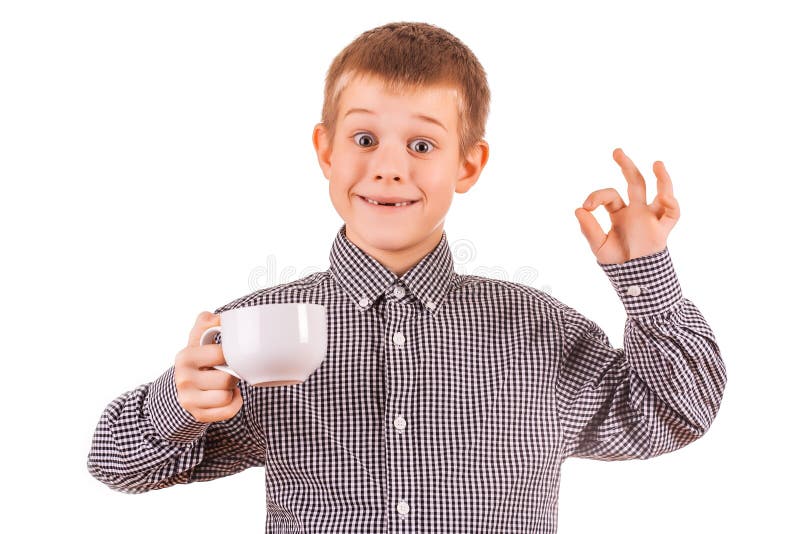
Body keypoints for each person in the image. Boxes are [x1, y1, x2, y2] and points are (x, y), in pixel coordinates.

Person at [86, 21, 727, 533]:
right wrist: (182, 404)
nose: (389, 168)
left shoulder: (541, 331)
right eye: (364, 138)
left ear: (467, 165)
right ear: (327, 151)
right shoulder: (255, 332)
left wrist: (644, 273)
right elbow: (115, 464)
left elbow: (677, 412)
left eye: (422, 145)